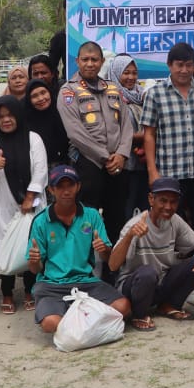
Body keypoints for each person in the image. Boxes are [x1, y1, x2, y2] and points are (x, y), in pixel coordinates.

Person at [26, 165, 130, 334]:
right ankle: (87, 320)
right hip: (52, 284)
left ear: (78, 187)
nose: (66, 191)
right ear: (51, 189)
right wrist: (34, 260)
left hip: (86, 281)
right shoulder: (41, 221)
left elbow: (108, 260)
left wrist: (103, 249)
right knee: (50, 323)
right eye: (60, 186)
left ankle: (75, 321)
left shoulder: (91, 215)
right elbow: (34, 269)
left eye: (70, 185)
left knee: (123, 306)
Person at [109, 177, 194, 331]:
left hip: (159, 283)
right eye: (163, 201)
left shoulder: (175, 220)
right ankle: (139, 314)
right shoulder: (134, 224)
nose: (168, 207)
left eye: (173, 202)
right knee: (147, 272)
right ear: (151, 199)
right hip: (134, 287)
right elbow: (113, 265)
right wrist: (130, 236)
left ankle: (169, 305)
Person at [142, 42, 194, 240]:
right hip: (169, 173)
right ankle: (171, 268)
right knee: (169, 225)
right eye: (179, 65)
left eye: (188, 65)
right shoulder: (155, 94)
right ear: (170, 65)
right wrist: (153, 172)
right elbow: (149, 134)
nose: (184, 70)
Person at [57, 42, 133, 241]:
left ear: (101, 62)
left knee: (116, 217)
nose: (89, 64)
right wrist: (106, 157)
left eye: (94, 60)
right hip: (87, 164)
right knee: (85, 219)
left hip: (117, 165)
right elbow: (75, 132)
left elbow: (127, 126)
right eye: (85, 60)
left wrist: (122, 154)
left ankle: (113, 269)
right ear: (77, 62)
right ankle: (84, 267)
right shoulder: (68, 91)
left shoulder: (113, 88)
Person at [0, 95, 48, 314]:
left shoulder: (33, 139)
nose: (6, 120)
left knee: (31, 246)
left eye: (10, 115)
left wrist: (30, 197)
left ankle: (30, 290)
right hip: (5, 205)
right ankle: (7, 293)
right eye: (0, 117)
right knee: (7, 248)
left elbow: (40, 170)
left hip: (31, 203)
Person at [108, 55, 149, 215]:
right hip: (123, 166)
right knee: (124, 210)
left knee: (144, 210)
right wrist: (147, 136)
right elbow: (112, 132)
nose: (131, 77)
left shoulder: (143, 95)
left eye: (134, 73)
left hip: (144, 165)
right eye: (126, 73)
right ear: (117, 73)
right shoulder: (110, 97)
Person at [25, 78, 70, 168]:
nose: (41, 98)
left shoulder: (62, 111)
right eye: (34, 96)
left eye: (43, 92)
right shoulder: (25, 119)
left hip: (64, 168)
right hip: (35, 168)